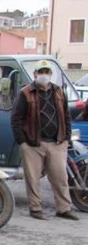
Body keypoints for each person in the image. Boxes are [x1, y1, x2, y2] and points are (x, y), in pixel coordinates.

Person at [10, 60, 78, 221]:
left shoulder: (59, 92)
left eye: (47, 72)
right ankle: (35, 209)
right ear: (35, 74)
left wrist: (66, 138)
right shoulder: (25, 93)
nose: (44, 75)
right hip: (33, 144)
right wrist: (23, 142)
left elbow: (66, 116)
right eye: (41, 72)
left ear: (51, 74)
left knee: (60, 177)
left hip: (57, 142)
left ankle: (64, 209)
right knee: (32, 178)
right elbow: (16, 119)